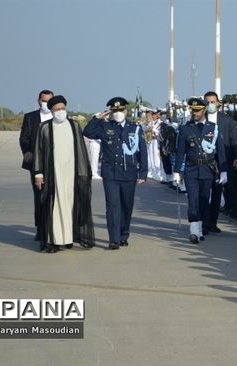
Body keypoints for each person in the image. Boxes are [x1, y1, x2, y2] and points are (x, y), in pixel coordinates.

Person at [83, 97, 148, 250]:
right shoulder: (105, 127)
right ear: (111, 112)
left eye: (120, 110)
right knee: (112, 206)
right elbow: (87, 132)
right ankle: (114, 239)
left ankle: (123, 233)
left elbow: (142, 152)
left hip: (129, 173)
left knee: (126, 205)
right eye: (115, 111)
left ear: (126, 111)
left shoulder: (135, 128)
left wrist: (143, 173)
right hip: (110, 173)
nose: (118, 113)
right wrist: (98, 117)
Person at [32, 95, 95, 253]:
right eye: (57, 109)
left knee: (70, 205)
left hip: (71, 173)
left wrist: (84, 173)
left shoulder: (74, 125)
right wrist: (38, 174)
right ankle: (54, 241)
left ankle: (67, 239)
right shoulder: (45, 127)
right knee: (54, 205)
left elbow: (81, 150)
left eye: (63, 108)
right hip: (53, 174)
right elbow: (38, 152)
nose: (61, 112)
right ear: (52, 111)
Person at [173, 98, 227, 243]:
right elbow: (180, 151)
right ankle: (194, 230)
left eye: (197, 110)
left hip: (207, 169)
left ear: (204, 110)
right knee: (192, 200)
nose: (194, 113)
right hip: (191, 169)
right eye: (193, 110)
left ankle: (202, 226)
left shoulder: (213, 128)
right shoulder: (185, 128)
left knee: (204, 200)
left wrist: (223, 171)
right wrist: (177, 171)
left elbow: (220, 151)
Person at [204, 91, 237, 234]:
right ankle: (203, 223)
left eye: (213, 102)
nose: (210, 105)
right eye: (207, 102)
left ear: (218, 103)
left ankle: (212, 223)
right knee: (204, 194)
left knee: (217, 194)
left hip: (221, 162)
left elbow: (234, 140)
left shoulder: (227, 120)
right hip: (204, 161)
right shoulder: (200, 119)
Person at [19, 89, 54, 241]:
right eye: (43, 100)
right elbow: (24, 138)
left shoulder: (59, 116)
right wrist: (27, 152)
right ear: (38, 101)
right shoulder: (30, 117)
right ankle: (41, 229)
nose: (45, 103)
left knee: (54, 196)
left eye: (48, 100)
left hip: (55, 163)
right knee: (40, 197)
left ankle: (54, 228)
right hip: (36, 164)